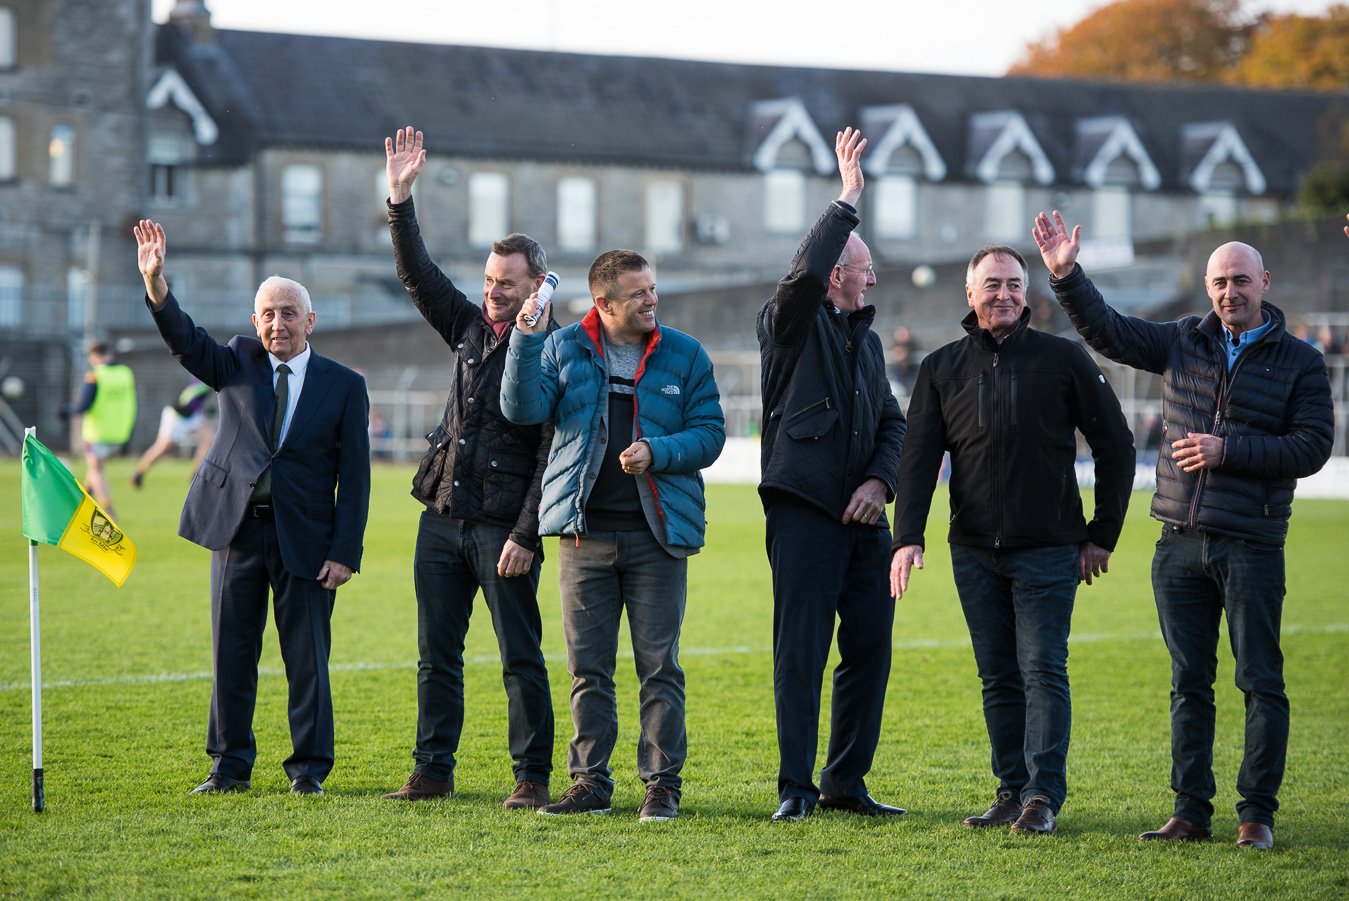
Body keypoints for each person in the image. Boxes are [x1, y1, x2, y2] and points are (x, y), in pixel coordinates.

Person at [1034, 210, 1334, 850]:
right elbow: (1109, 332)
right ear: (1208, 286)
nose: (1232, 292)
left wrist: (1228, 450)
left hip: (1252, 543)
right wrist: (1066, 276)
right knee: (1187, 683)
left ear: (1265, 282)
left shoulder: (1302, 361)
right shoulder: (1181, 341)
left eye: (1243, 281)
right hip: (1177, 545)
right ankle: (1190, 811)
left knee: (1260, 680)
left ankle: (1257, 815)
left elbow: (1311, 447)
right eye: (1221, 281)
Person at [890, 238, 1135, 837]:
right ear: (970, 294)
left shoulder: (1064, 359)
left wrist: (1102, 534)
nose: (1004, 295)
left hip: (1050, 548)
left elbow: (1117, 446)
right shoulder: (941, 367)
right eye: (992, 285)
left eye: (1014, 285)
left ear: (1028, 296)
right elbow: (918, 459)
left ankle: (1042, 796)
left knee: (1042, 667)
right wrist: (908, 536)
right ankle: (1010, 789)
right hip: (973, 550)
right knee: (997, 673)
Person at [134, 218, 371, 797]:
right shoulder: (236, 362)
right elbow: (185, 340)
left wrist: (345, 553)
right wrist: (156, 283)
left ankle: (309, 770)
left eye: (289, 313)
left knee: (308, 661)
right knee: (230, 655)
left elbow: (356, 477)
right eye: (267, 313)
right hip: (237, 532)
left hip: (307, 541)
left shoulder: (344, 385)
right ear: (254, 321)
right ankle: (228, 767)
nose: (277, 323)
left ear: (309, 322)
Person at [501, 248, 725, 822]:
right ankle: (590, 783)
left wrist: (658, 451)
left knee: (660, 668)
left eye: (652, 289)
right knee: (588, 670)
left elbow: (710, 435)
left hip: (659, 539)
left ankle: (661, 784)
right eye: (638, 294)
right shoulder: (561, 346)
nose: (652, 300)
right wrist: (524, 340)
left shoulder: (686, 353)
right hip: (584, 538)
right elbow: (522, 410)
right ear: (603, 303)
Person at [378, 126, 557, 810]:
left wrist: (525, 532)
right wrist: (400, 200)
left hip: (503, 530)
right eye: (488, 281)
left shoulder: (557, 351)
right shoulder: (470, 329)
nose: (493, 293)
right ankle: (432, 768)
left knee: (519, 655)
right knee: (435, 655)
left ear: (536, 285)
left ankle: (532, 776)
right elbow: (416, 273)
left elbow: (551, 453)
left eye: (507, 284)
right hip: (443, 519)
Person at [758, 128, 908, 824]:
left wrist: (879, 483)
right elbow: (800, 274)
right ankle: (795, 785)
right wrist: (846, 202)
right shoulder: (786, 323)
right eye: (863, 267)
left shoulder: (869, 343)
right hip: (803, 513)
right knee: (801, 653)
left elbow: (893, 426)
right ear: (834, 273)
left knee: (870, 653)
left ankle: (844, 781)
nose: (872, 278)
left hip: (863, 523)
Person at [64, 340, 136, 517]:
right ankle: (82, 502)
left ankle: (108, 508)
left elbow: (83, 406)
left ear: (94, 356)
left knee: (96, 470)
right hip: (119, 430)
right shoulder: (126, 372)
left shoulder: (95, 375)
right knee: (96, 468)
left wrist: (65, 411)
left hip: (98, 431)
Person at [131, 377, 214, 487]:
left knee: (209, 441)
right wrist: (202, 408)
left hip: (193, 415)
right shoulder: (202, 380)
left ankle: (195, 475)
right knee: (163, 447)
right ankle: (139, 473)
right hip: (177, 415)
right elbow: (186, 398)